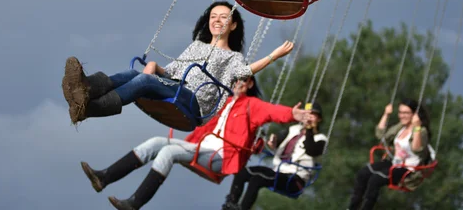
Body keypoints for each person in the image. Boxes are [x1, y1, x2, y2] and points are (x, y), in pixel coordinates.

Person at [79, 75, 311, 210]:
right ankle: (104, 177)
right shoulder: (226, 103)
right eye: (235, 80)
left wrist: (293, 114)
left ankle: (135, 203)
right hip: (202, 149)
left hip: (221, 158)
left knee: (168, 152)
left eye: (242, 81)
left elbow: (273, 112)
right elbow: (204, 122)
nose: (237, 84)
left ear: (249, 84)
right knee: (157, 142)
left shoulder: (252, 105)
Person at [61, 0, 293, 126]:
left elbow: (244, 71)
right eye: (213, 17)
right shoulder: (196, 46)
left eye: (223, 17)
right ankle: (87, 91)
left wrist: (274, 55)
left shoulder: (234, 57)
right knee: (138, 73)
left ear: (232, 26)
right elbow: (172, 71)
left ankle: (91, 103)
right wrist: (155, 67)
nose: (217, 20)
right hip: (176, 87)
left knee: (143, 79)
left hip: (195, 102)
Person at [222, 102, 326, 209]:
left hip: (294, 179)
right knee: (243, 172)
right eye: (306, 114)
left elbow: (310, 149)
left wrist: (308, 129)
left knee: (257, 179)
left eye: (312, 115)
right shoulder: (294, 129)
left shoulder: (320, 139)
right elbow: (279, 140)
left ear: (319, 119)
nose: (308, 117)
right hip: (278, 171)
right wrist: (274, 141)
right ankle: (231, 203)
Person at [347, 99, 434, 210]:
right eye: (400, 112)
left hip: (407, 169)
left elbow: (417, 149)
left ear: (414, 114)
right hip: (394, 163)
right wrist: (386, 114)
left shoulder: (421, 131)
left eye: (406, 113)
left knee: (375, 180)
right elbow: (380, 135)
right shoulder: (400, 128)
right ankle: (352, 208)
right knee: (362, 174)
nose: (402, 116)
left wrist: (416, 127)